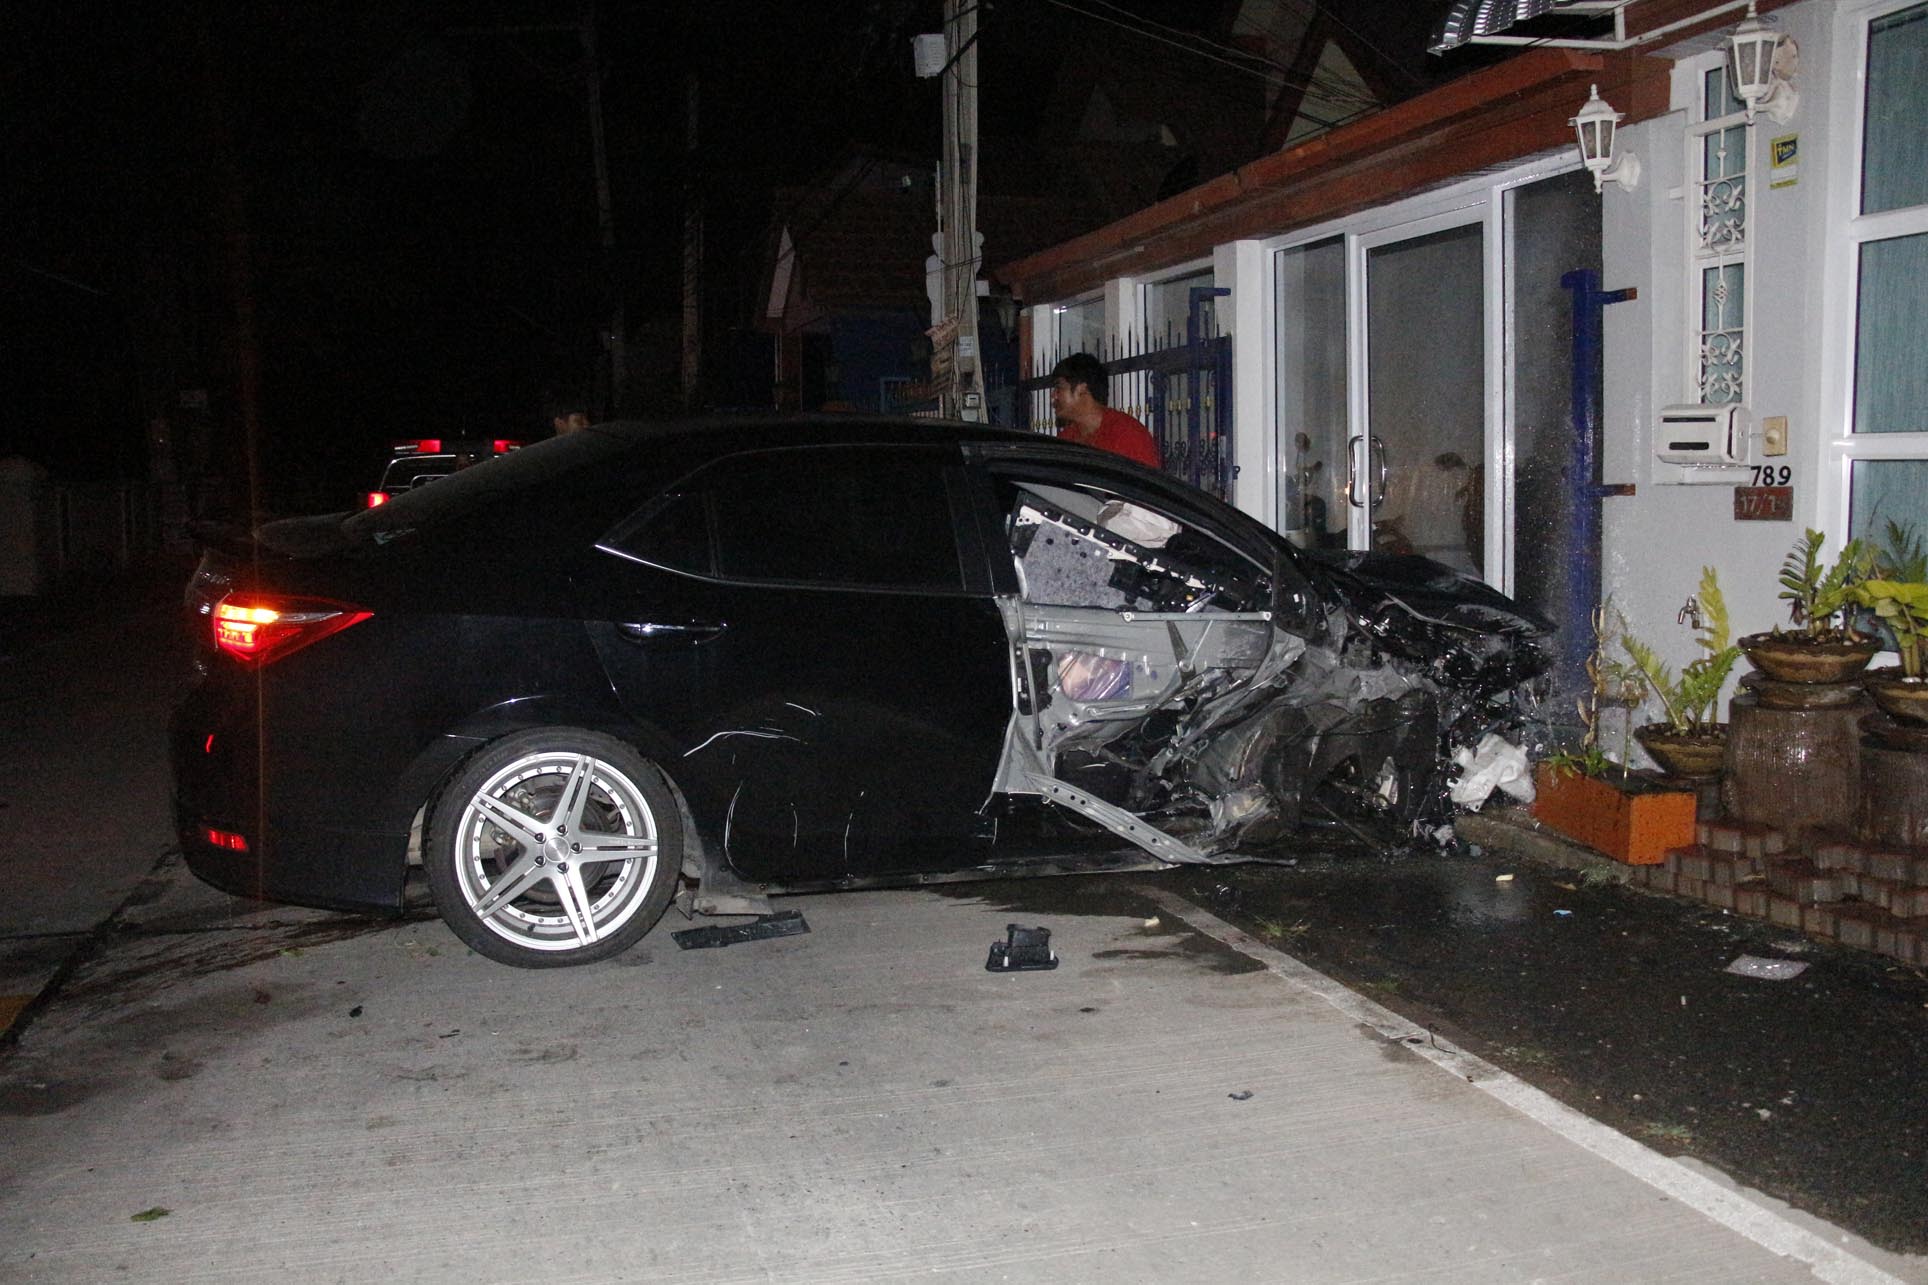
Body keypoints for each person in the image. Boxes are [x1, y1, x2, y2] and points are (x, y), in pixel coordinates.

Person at [1049, 352, 1160, 469]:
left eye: (1059, 387)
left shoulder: (1127, 435)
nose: (1053, 395)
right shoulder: (1067, 438)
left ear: (1082, 388)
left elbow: (1146, 485)